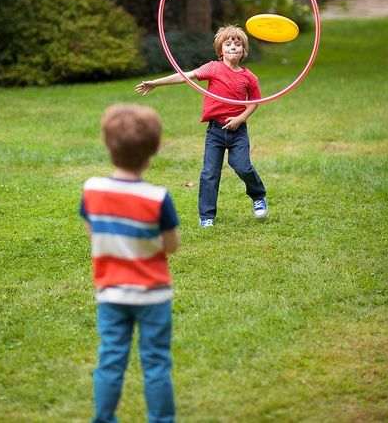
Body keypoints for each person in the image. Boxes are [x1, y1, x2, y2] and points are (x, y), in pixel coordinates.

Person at [79, 103, 180, 423]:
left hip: (111, 293)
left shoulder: (91, 190)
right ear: (153, 151)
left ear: (109, 146)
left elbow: (92, 231)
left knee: (110, 359)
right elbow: (171, 246)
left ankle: (104, 418)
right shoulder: (158, 197)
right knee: (156, 363)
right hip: (153, 295)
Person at [136, 25, 267, 227]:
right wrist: (156, 82)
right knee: (209, 173)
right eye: (228, 43)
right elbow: (184, 76)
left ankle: (258, 196)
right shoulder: (213, 68)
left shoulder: (249, 77)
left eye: (238, 44)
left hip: (238, 131)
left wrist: (240, 118)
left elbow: (255, 101)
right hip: (215, 131)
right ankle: (207, 216)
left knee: (242, 166)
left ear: (244, 51)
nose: (233, 47)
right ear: (220, 51)